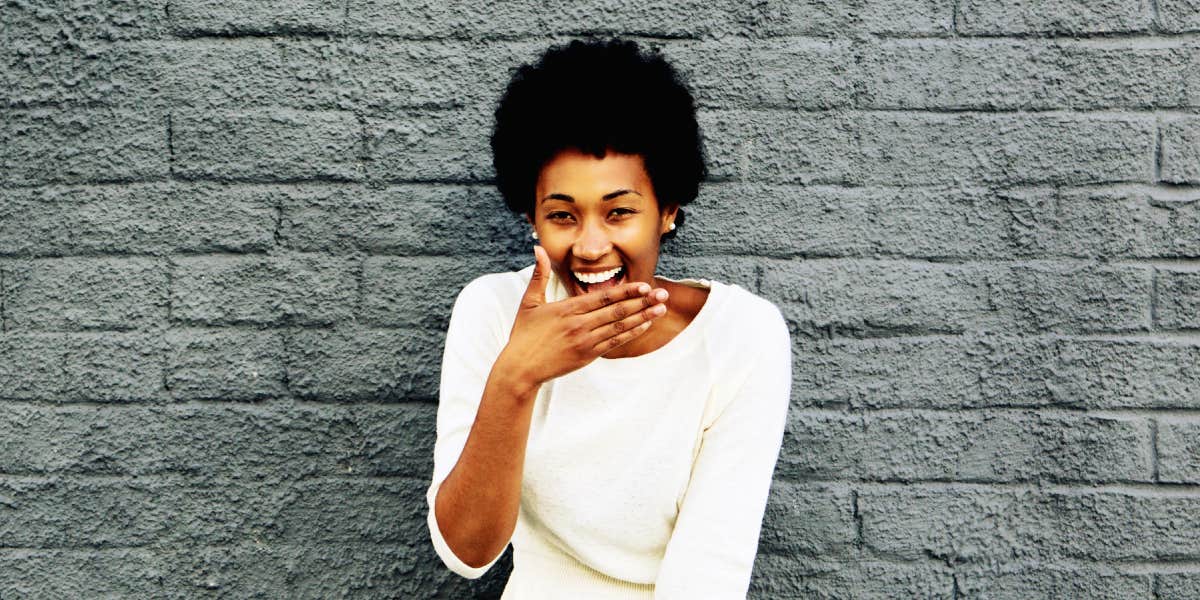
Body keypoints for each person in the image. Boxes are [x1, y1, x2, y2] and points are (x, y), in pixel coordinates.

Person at [424, 38, 792, 599]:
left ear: (667, 211)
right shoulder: (492, 310)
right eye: (563, 215)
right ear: (532, 217)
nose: (591, 246)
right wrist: (516, 377)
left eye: (619, 212)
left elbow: (709, 572)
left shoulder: (741, 337)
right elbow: (467, 554)